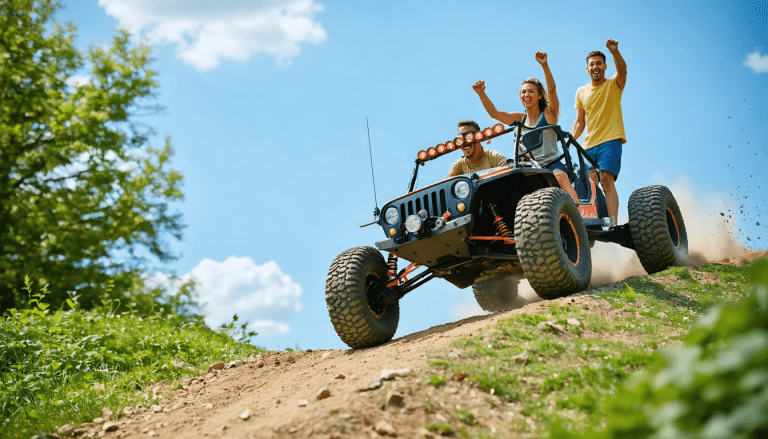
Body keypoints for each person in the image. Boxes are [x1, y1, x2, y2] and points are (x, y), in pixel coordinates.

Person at [472, 52, 580, 204]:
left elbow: (552, 91)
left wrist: (545, 65)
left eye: (531, 91)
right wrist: (481, 93)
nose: (526, 94)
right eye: (523, 92)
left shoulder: (548, 114)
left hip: (552, 165)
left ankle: (577, 212)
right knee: (510, 183)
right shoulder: (519, 119)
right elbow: (494, 113)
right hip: (531, 167)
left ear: (539, 96)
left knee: (559, 176)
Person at [572, 39, 627, 227]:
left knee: (606, 179)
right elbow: (580, 121)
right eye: (591, 64)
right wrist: (570, 139)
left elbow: (623, 71)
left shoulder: (614, 85)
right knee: (589, 182)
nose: (595, 66)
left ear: (604, 66)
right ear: (587, 69)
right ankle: (592, 220)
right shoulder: (581, 91)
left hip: (610, 140)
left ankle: (612, 224)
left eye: (598, 63)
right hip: (588, 145)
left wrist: (614, 52)